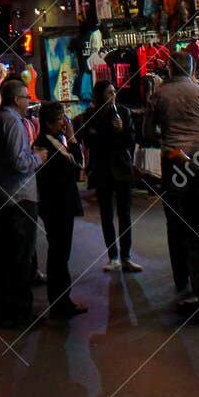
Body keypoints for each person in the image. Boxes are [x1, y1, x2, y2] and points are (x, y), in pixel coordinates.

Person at [0, 78, 47, 330]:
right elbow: (19, 163)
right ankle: (21, 313)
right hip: (19, 198)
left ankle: (6, 313)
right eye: (27, 97)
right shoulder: (14, 123)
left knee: (6, 259)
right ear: (17, 99)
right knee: (21, 259)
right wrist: (37, 157)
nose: (29, 101)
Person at [149, 53, 199, 307]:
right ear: (192, 67)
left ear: (170, 69)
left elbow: (147, 132)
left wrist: (164, 132)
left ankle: (181, 277)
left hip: (172, 159)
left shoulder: (159, 95)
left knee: (175, 220)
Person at [77, 80, 140, 273]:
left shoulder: (123, 112)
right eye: (108, 92)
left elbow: (130, 141)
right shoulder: (90, 115)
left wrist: (119, 130)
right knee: (106, 214)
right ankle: (113, 256)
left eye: (114, 91)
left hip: (122, 169)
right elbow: (89, 142)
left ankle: (126, 256)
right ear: (99, 95)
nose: (113, 95)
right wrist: (108, 135)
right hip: (102, 169)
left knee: (124, 214)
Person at [36, 102, 87, 320]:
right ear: (49, 122)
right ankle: (60, 302)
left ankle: (61, 300)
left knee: (59, 253)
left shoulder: (51, 142)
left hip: (56, 205)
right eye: (60, 120)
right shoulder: (48, 145)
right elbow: (78, 165)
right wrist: (73, 139)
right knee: (59, 254)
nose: (64, 123)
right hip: (57, 206)